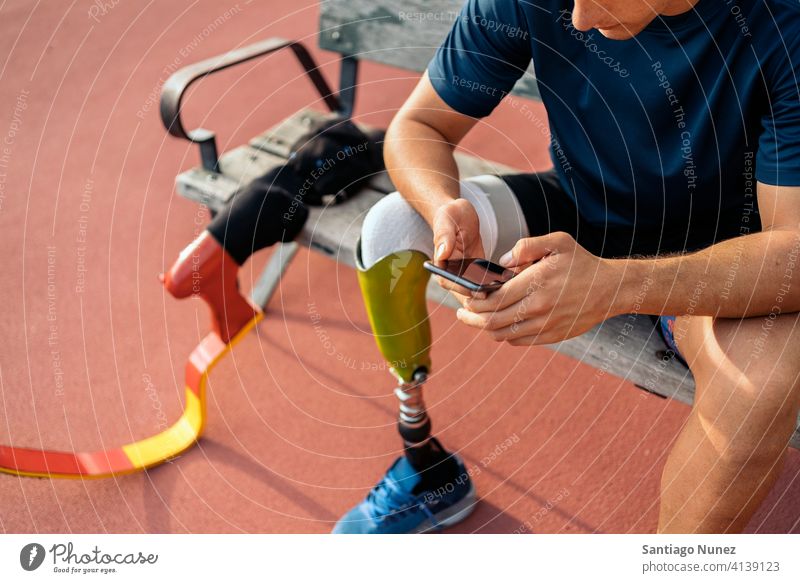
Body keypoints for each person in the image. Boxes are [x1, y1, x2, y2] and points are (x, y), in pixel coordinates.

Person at [332, 0, 800, 534]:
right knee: (394, 226)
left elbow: (794, 249)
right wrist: (442, 206)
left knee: (759, 388)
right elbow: (419, 125)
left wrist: (615, 285)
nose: (576, 19)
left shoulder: (783, 25)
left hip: (726, 252)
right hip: (585, 210)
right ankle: (422, 461)